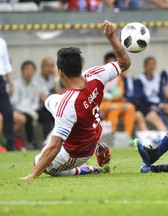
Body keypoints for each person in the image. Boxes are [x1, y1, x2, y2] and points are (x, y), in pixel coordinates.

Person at [20, 20, 131, 180]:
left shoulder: (68, 105)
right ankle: (97, 142)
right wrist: (111, 37)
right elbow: (125, 63)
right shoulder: (95, 74)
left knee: (40, 161)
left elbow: (55, 146)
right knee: (51, 100)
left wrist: (31, 175)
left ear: (60, 73)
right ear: (80, 65)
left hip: (78, 152)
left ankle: (85, 169)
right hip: (92, 129)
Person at [136, 56, 168, 130]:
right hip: (148, 105)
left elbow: (161, 93)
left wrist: (163, 103)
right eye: (149, 64)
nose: (151, 66)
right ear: (144, 66)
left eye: (153, 64)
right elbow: (141, 97)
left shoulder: (157, 78)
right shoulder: (140, 79)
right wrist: (158, 105)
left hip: (159, 104)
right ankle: (167, 131)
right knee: (159, 112)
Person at [100, 52, 135, 137]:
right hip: (101, 104)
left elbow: (119, 94)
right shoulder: (100, 77)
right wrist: (112, 97)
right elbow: (100, 95)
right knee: (114, 107)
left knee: (130, 107)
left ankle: (128, 136)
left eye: (113, 63)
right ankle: (111, 135)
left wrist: (110, 97)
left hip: (115, 103)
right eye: (109, 63)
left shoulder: (118, 78)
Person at [12, 61, 42, 149]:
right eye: (27, 69)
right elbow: (15, 102)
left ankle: (47, 143)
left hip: (32, 110)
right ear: (22, 71)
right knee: (28, 117)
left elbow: (36, 101)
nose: (29, 72)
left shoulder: (35, 84)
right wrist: (29, 111)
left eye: (31, 69)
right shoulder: (16, 84)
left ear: (34, 71)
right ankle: (31, 142)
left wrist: (33, 110)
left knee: (46, 115)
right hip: (18, 110)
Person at [36, 57, 61, 140]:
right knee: (47, 116)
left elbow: (60, 94)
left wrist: (55, 78)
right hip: (40, 108)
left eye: (52, 66)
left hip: (52, 107)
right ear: (42, 66)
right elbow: (43, 99)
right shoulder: (36, 79)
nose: (50, 69)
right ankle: (47, 142)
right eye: (47, 66)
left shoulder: (53, 79)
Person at [0, 37, 15, 151]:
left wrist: (11, 84)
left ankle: (10, 145)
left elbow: (7, 65)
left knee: (8, 113)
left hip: (1, 81)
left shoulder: (2, 42)